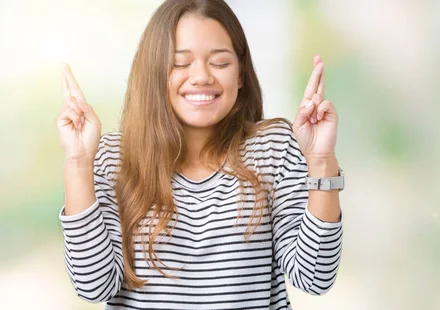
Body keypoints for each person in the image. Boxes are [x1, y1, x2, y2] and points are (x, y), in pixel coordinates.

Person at [55, 0, 344, 309]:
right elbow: (94, 287)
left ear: (241, 75)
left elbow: (314, 277)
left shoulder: (272, 148)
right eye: (180, 63)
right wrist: (78, 162)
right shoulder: (113, 158)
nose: (201, 76)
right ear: (154, 72)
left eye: (219, 62)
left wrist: (321, 161)